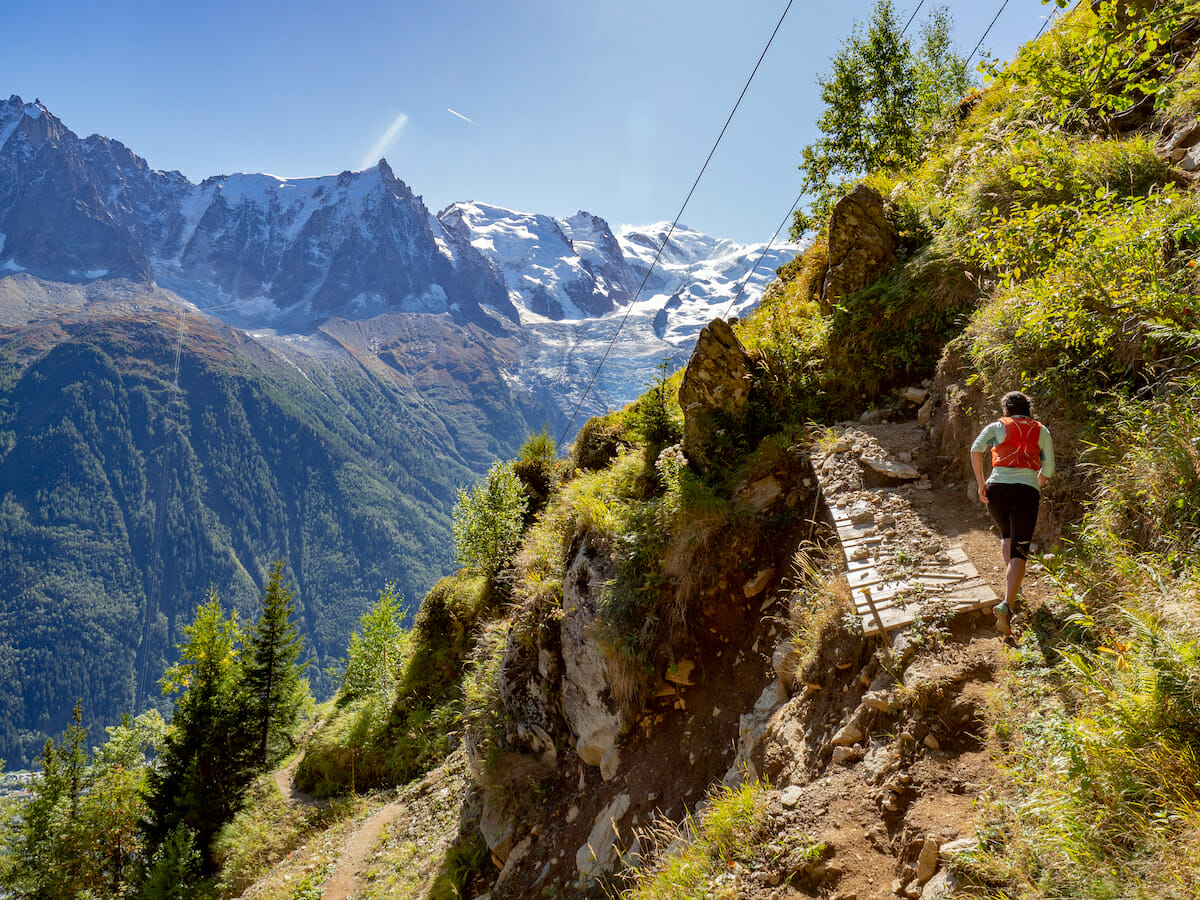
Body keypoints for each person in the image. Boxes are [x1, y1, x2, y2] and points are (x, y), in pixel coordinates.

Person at [970, 391, 1054, 638]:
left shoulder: (997, 426)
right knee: (1019, 550)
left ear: (1006, 409)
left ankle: (1012, 589)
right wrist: (1035, 483)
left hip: (997, 491)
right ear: (1029, 409)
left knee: (1007, 535)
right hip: (1026, 492)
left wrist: (980, 483)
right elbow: (1049, 468)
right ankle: (1007, 604)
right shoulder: (1041, 430)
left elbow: (976, 449)